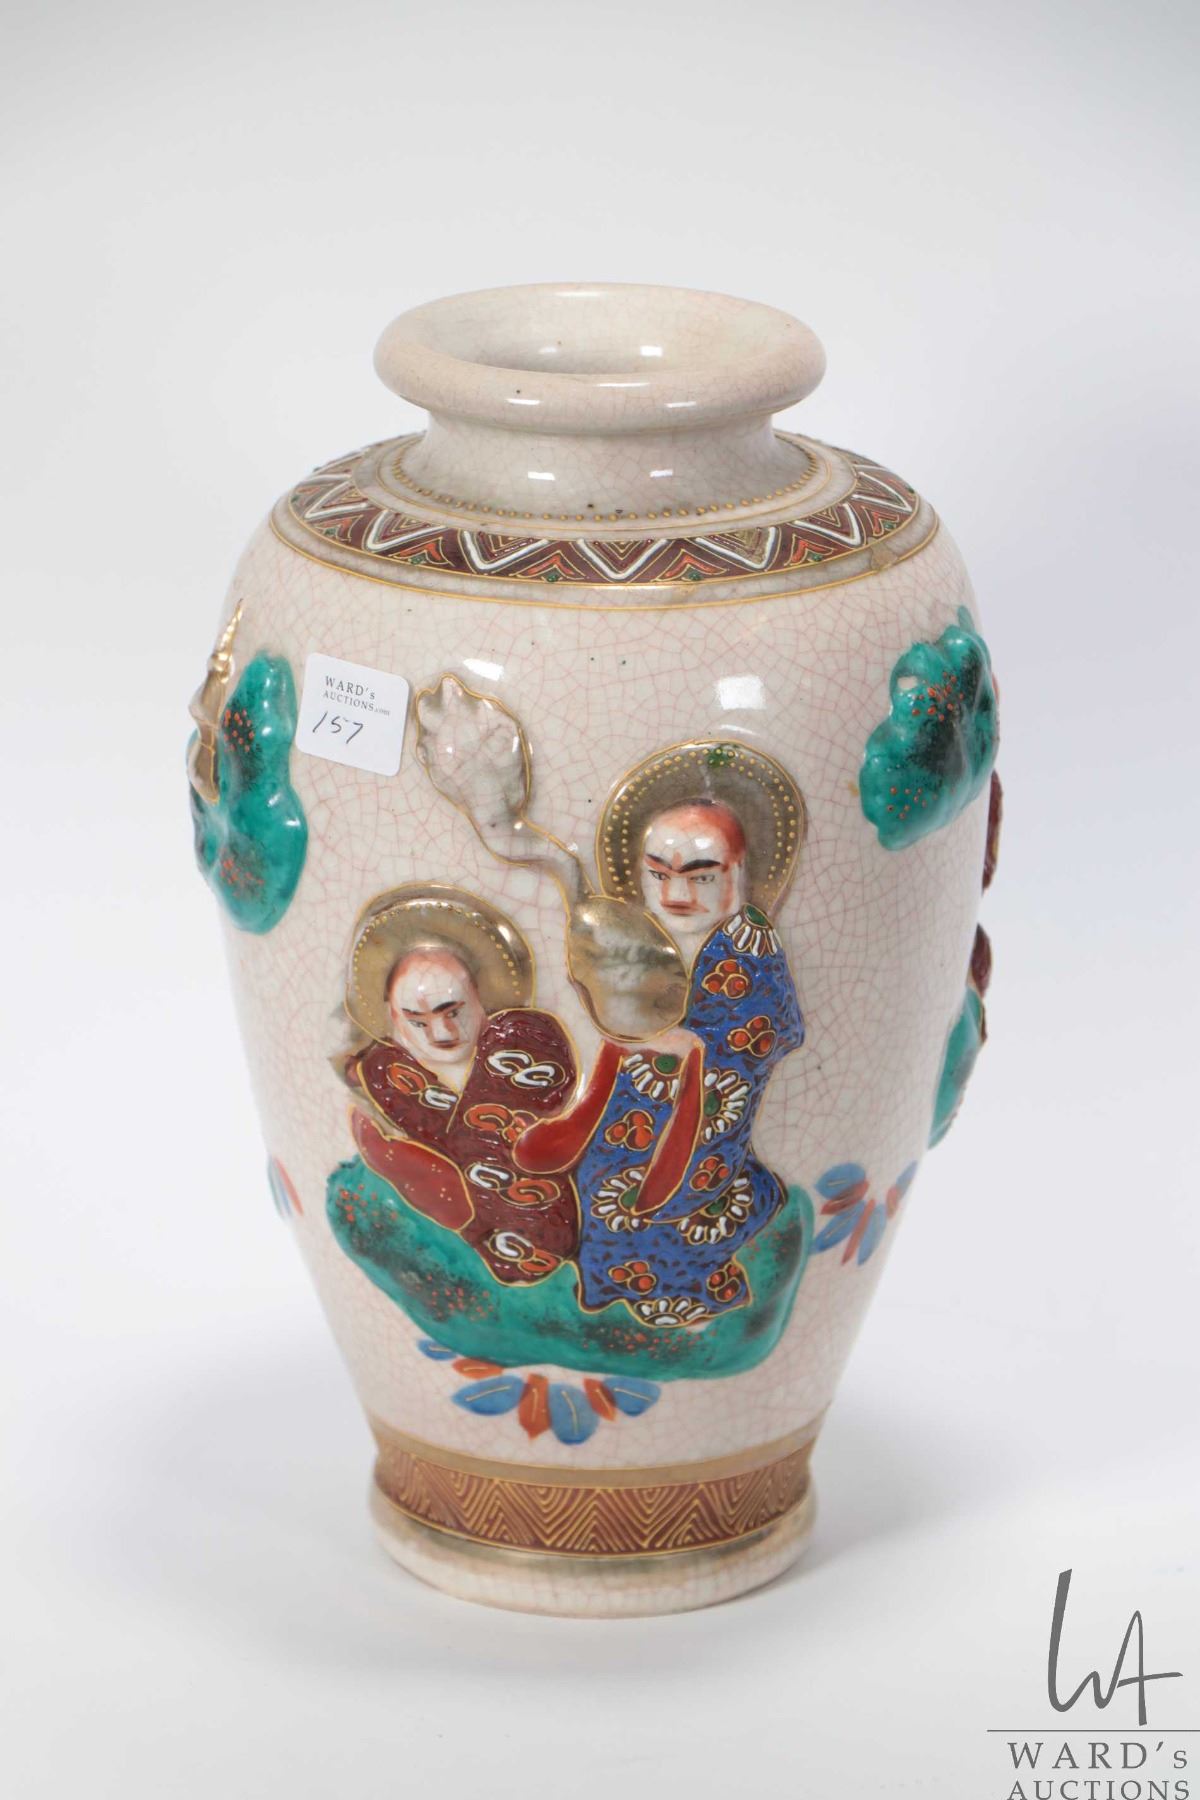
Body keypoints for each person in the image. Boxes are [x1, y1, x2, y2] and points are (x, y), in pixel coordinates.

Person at [339, 889, 579, 1286]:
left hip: (546, 1222)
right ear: (393, 1018)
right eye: (418, 1022)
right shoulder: (387, 1075)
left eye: (453, 1012)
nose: (441, 1033)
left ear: (480, 996)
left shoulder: (523, 1044)